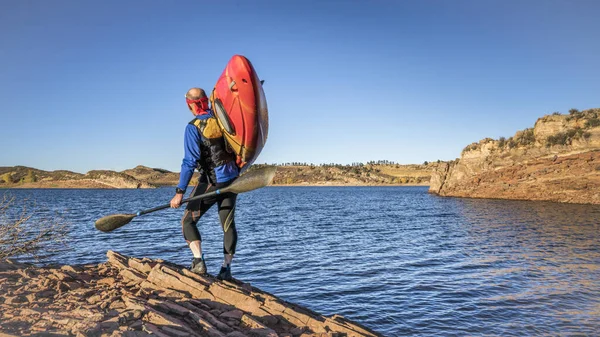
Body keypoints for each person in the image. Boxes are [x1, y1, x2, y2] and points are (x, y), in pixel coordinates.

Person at [170, 87, 239, 281]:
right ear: (206, 101)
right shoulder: (224, 121)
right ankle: (226, 269)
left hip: (212, 180)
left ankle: (198, 262)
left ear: (191, 105)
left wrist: (179, 192)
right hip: (233, 180)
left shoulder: (193, 127)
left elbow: (189, 162)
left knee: (187, 221)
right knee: (228, 224)